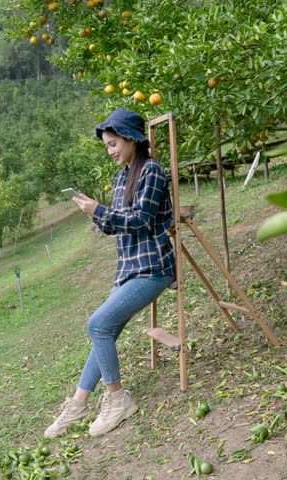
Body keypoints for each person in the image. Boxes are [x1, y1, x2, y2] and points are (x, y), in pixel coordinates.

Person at [45, 108, 176, 438]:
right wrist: (94, 213)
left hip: (153, 268)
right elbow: (116, 225)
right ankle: (78, 404)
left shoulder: (152, 171)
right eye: (106, 146)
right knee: (105, 329)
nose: (110, 151)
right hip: (128, 270)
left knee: (98, 325)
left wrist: (101, 210)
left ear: (131, 139)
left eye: (113, 143)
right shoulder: (121, 178)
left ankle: (118, 400)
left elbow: (142, 222)